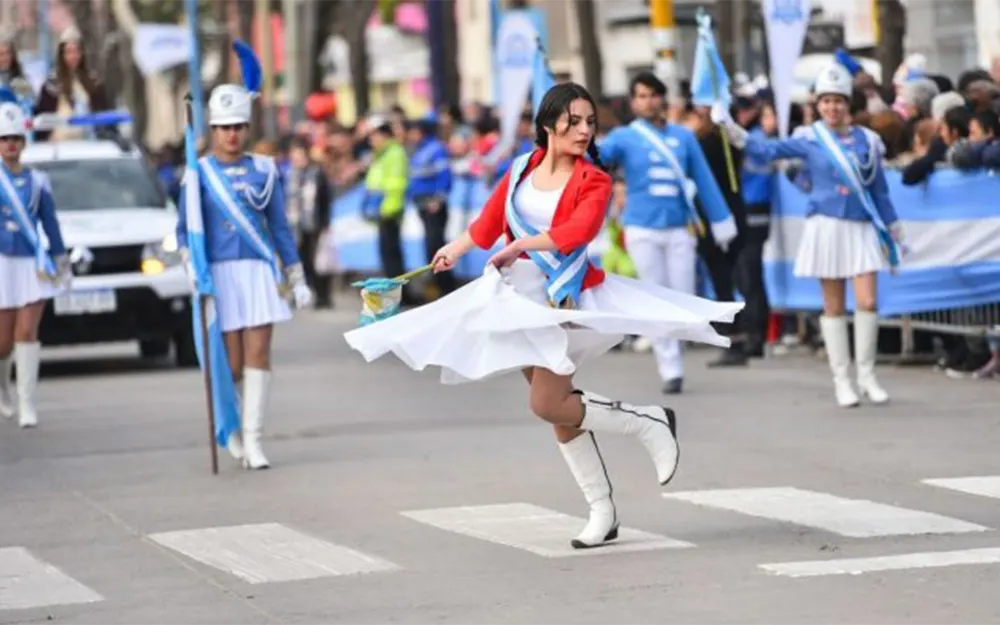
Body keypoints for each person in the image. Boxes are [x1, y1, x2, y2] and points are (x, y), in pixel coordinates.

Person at [344, 83, 742, 549]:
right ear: (549, 123)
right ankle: (602, 509)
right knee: (557, 408)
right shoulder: (520, 169)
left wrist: (520, 245)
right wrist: (456, 248)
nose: (584, 130)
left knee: (547, 402)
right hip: (517, 299)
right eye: (574, 121)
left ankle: (648, 422)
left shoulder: (592, 178)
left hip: (561, 296)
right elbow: (490, 222)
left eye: (590, 122)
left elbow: (579, 231)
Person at [712, 63, 900, 408]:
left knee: (868, 301)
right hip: (826, 227)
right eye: (826, 100)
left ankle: (868, 376)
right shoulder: (809, 138)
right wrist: (734, 130)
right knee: (832, 304)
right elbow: (768, 151)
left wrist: (893, 226)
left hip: (860, 226)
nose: (832, 107)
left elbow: (880, 191)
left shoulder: (868, 141)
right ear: (818, 104)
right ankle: (842, 380)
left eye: (838, 100)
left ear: (848, 103)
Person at [176, 82, 313, 469]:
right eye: (224, 127)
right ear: (213, 131)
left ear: (246, 128)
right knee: (231, 365)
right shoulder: (197, 174)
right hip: (217, 276)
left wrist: (297, 277)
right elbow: (184, 229)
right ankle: (232, 426)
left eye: (237, 126)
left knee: (259, 355)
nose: (231, 134)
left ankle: (254, 440)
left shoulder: (266, 170)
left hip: (257, 273)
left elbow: (280, 228)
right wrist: (189, 262)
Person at [598, 73, 737, 394]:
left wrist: (720, 220)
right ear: (633, 102)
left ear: (662, 98)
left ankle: (677, 354)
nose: (648, 101)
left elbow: (703, 179)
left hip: (679, 228)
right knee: (655, 296)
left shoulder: (684, 137)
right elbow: (597, 160)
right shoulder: (623, 137)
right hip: (642, 227)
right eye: (641, 96)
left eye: (652, 95)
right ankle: (670, 366)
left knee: (682, 299)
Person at [0, 101, 70, 428]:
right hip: (1, 263)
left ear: (23, 142)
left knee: (27, 331)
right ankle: (3, 389)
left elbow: (50, 224)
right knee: (3, 341)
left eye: (14, 138)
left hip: (31, 263)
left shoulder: (38, 180)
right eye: (3, 139)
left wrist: (61, 260)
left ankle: (28, 403)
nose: (10, 144)